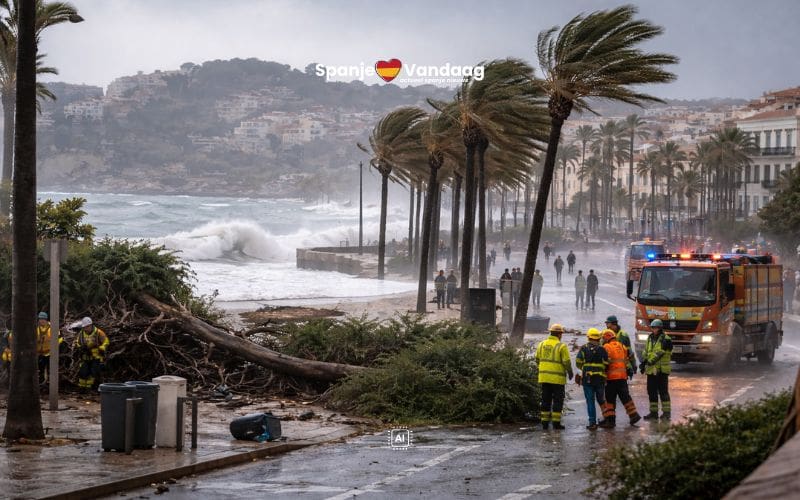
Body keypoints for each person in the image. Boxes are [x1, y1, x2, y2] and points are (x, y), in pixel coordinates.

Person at [535, 323, 573, 430]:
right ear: (559, 334)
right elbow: (566, 362)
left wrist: (543, 369)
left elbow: (537, 359)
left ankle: (545, 423)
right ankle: (556, 423)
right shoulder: (561, 346)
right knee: (557, 400)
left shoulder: (542, 344)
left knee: (545, 400)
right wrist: (570, 372)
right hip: (557, 380)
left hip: (544, 378)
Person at [600, 329, 641, 427]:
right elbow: (627, 359)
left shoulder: (606, 347)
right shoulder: (622, 346)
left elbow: (605, 362)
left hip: (611, 378)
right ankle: (634, 415)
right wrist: (631, 369)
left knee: (610, 400)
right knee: (625, 397)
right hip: (622, 377)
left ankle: (611, 421)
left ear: (606, 337)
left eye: (603, 338)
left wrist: (602, 375)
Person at [575, 327, 609, 430]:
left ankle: (592, 423)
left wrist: (585, 368)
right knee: (601, 400)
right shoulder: (603, 349)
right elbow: (607, 364)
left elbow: (578, 362)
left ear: (589, 337)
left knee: (590, 401)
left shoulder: (584, 348)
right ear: (598, 338)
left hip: (588, 379)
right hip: (600, 379)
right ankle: (607, 419)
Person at [640, 319, 673, 420]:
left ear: (660, 328)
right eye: (653, 328)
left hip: (662, 370)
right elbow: (646, 350)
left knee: (663, 392)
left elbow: (660, 352)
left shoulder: (666, 339)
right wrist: (644, 362)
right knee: (651, 392)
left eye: (655, 328)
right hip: (652, 370)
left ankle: (666, 414)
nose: (654, 329)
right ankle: (653, 413)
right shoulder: (650, 338)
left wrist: (649, 362)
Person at [74, 317, 109, 390]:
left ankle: (88, 388)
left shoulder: (99, 332)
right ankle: (81, 387)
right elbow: (77, 342)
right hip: (85, 357)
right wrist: (80, 347)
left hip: (96, 357)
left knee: (93, 373)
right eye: (84, 327)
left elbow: (106, 342)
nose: (86, 328)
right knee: (83, 372)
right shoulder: (81, 334)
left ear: (91, 325)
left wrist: (101, 348)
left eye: (87, 326)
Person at [36, 312, 63, 384]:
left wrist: (54, 347)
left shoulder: (53, 327)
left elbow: (60, 339)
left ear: (46, 319)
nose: (41, 321)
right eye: (40, 319)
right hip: (39, 353)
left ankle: (49, 384)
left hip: (50, 353)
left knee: (50, 370)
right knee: (40, 370)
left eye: (43, 319)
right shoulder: (35, 328)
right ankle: (41, 384)